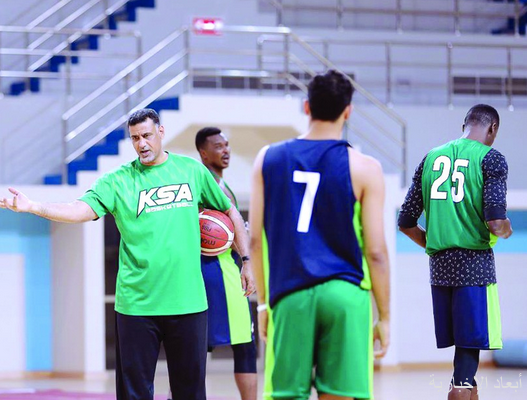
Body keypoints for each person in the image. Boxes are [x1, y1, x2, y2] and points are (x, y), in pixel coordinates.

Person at [0, 108, 256, 400]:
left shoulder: (191, 171)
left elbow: (230, 211)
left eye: (146, 135)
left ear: (161, 132)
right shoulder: (117, 181)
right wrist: (35, 207)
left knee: (190, 393)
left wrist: (246, 261)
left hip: (188, 302)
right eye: (135, 138)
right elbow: (80, 209)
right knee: (134, 395)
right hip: (136, 306)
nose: (141, 143)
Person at [249, 70, 391, 400]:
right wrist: (384, 317)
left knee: (286, 395)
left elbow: (254, 240)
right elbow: (376, 253)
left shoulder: (267, 159)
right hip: (345, 296)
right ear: (348, 111)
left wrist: (264, 304)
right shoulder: (366, 168)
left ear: (306, 106)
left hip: (291, 294)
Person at [398, 104, 510, 400]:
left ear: (464, 125)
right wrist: (506, 229)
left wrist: (436, 244)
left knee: (465, 360)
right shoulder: (491, 158)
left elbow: (405, 221)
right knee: (463, 374)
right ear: (492, 129)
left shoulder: (431, 158)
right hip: (475, 268)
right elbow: (496, 221)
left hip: (439, 270)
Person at [194, 127, 257, 400]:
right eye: (218, 146)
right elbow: (218, 234)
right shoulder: (208, 184)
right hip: (220, 272)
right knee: (245, 347)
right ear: (203, 153)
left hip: (212, 273)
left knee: (193, 351)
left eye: (227, 145)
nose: (226, 150)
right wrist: (244, 252)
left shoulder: (218, 183)